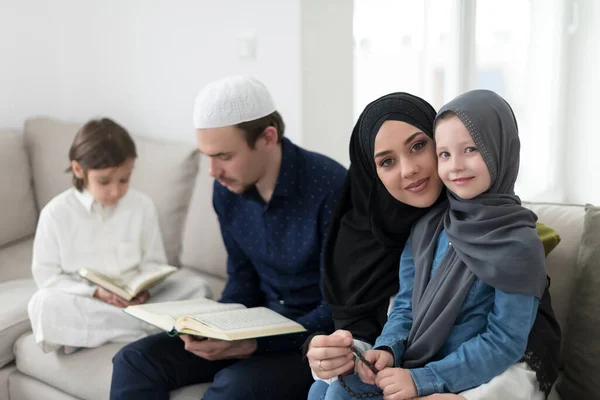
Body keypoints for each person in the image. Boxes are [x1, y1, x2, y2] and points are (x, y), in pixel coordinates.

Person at [306, 92, 561, 400]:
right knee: (325, 389)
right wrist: (387, 349)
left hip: (460, 379)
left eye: (419, 146)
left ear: (500, 148)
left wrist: (428, 380)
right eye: (445, 154)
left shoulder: (516, 240)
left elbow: (508, 341)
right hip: (411, 365)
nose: (410, 169)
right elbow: (404, 308)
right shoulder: (426, 227)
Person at [109, 76, 347, 400]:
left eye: (223, 156)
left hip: (312, 341)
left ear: (268, 137)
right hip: (256, 325)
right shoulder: (227, 191)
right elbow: (242, 278)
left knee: (235, 387)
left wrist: (255, 344)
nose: (212, 171)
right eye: (207, 156)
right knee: (133, 360)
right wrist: (213, 327)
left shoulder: (331, 188)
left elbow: (339, 309)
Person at [28, 118, 210, 354]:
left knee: (198, 287)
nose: (116, 191)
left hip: (141, 302)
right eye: (104, 181)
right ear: (78, 170)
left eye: (124, 179)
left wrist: (147, 291)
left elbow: (154, 263)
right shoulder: (55, 214)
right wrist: (96, 293)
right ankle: (154, 328)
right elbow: (47, 278)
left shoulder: (141, 205)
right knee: (43, 304)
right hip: (91, 302)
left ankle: (101, 333)